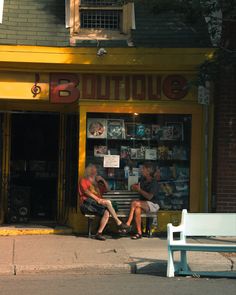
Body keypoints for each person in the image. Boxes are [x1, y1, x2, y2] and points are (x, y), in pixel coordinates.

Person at [79, 164, 130, 241]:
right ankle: (119, 222)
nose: (95, 172)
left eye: (95, 171)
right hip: (87, 204)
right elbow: (86, 192)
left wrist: (102, 179)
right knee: (108, 202)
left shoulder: (97, 184)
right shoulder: (84, 180)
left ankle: (99, 233)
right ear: (89, 172)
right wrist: (98, 199)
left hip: (97, 205)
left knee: (107, 212)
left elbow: (108, 189)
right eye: (93, 170)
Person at [125, 163, 160, 239]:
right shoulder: (142, 180)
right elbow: (134, 186)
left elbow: (150, 197)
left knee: (134, 203)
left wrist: (139, 190)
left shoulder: (154, 183)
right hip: (143, 204)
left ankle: (128, 223)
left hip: (153, 205)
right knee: (137, 209)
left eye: (143, 169)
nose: (141, 170)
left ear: (148, 171)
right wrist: (133, 186)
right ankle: (139, 233)